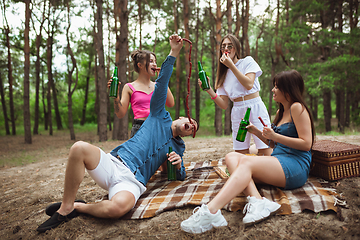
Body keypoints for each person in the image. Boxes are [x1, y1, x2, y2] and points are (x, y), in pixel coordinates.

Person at [37, 34, 198, 233]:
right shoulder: (158, 114)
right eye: (191, 122)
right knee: (78, 148)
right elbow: (162, 82)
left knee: (118, 208)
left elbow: (176, 176)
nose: (192, 127)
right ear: (182, 117)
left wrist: (179, 165)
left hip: (134, 182)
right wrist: (174, 52)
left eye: (194, 130)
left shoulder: (178, 146)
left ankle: (78, 207)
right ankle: (66, 206)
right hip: (116, 163)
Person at [181, 70, 315, 234]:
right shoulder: (280, 112)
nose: (273, 90)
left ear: (287, 89)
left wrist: (275, 136)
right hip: (279, 159)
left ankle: (212, 210)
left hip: (295, 166)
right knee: (231, 157)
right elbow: (273, 142)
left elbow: (306, 144)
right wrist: (257, 132)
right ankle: (258, 201)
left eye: (276, 87)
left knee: (245, 161)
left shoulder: (297, 108)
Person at [199, 34, 271, 156]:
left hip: (255, 106)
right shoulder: (222, 73)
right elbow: (223, 104)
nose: (226, 49)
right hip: (237, 110)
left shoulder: (247, 62)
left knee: (265, 147)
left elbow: (248, 84)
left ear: (236, 48)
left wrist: (231, 65)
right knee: (240, 152)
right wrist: (209, 89)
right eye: (223, 47)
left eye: (229, 46)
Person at [108, 49, 175, 138]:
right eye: (151, 61)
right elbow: (120, 114)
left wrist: (163, 80)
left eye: (155, 61)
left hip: (158, 127)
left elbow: (171, 103)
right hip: (139, 129)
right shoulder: (129, 87)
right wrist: (116, 96)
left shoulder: (158, 86)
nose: (155, 64)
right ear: (140, 65)